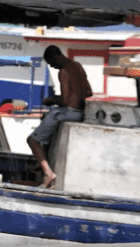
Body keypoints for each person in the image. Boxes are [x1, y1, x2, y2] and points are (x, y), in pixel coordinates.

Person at [27, 45, 93, 189]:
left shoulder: (63, 71)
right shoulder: (78, 66)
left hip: (69, 112)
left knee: (32, 140)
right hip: (80, 112)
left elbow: (65, 101)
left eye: (51, 63)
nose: (53, 67)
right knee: (47, 124)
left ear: (55, 57)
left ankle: (47, 172)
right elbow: (88, 92)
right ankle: (44, 161)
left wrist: (50, 100)